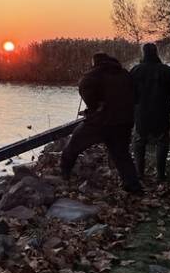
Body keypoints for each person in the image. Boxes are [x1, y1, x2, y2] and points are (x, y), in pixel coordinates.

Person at [59, 53, 143, 194]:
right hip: (123, 122)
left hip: (99, 122)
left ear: (95, 62)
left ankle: (64, 176)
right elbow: (136, 95)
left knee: (73, 146)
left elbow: (84, 86)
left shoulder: (93, 75)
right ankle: (134, 187)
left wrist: (94, 106)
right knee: (122, 155)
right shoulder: (124, 74)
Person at [130, 43, 170, 182]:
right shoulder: (165, 71)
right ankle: (160, 174)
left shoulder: (135, 70)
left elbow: (128, 93)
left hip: (141, 113)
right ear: (156, 53)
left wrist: (130, 112)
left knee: (139, 142)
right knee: (162, 141)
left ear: (143, 53)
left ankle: (139, 173)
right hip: (161, 112)